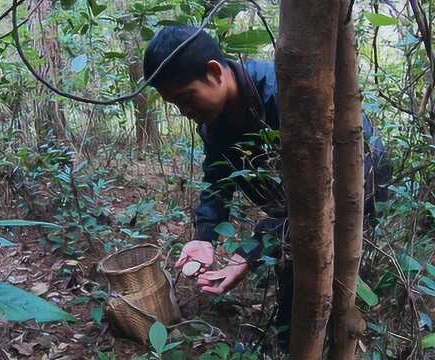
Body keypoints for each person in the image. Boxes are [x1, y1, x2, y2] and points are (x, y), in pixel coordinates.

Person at [142, 25, 390, 345]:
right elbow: (218, 178)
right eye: (175, 105)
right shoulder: (213, 119)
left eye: (186, 98)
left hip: (360, 181)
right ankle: (291, 335)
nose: (185, 112)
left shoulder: (287, 99)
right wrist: (205, 235)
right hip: (294, 202)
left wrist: (252, 250)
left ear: (214, 72)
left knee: (333, 270)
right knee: (292, 266)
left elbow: (316, 204)